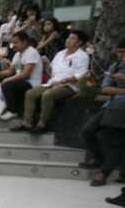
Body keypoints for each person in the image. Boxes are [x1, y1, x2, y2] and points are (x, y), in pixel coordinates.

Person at [11, 30, 89, 133]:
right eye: (68, 38)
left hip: (69, 85)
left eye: (72, 38)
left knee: (48, 95)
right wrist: (46, 64)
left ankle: (42, 124)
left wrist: (63, 81)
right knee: (30, 93)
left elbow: (81, 74)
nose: (68, 40)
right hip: (53, 82)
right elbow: (51, 71)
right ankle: (27, 123)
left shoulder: (82, 56)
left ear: (79, 43)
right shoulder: (60, 53)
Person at [82, 38, 125, 187]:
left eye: (124, 53)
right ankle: (101, 161)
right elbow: (105, 89)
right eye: (119, 52)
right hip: (111, 106)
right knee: (88, 131)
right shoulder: (115, 66)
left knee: (117, 139)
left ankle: (104, 172)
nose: (121, 56)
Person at [0, 31, 43, 121]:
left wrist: (8, 79)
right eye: (12, 43)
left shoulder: (32, 52)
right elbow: (11, 71)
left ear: (25, 42)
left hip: (31, 83)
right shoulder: (17, 54)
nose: (13, 45)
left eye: (16, 42)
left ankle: (13, 111)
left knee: (7, 84)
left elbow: (25, 75)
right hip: (20, 81)